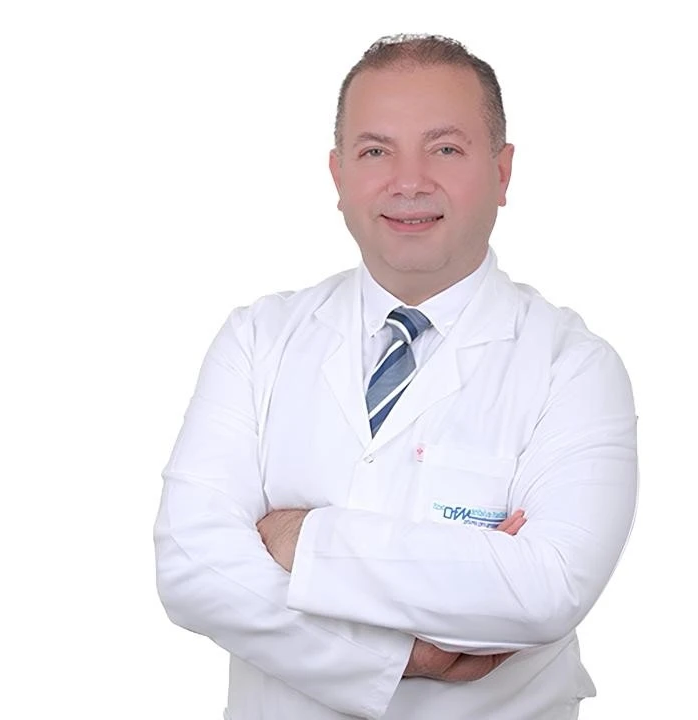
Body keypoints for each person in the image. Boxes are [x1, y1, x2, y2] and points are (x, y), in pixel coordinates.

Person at [154, 34, 638, 720]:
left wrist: (301, 539)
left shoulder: (576, 368)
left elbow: (547, 589)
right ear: (338, 175)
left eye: (445, 149)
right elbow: (191, 566)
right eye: (376, 151)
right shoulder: (257, 339)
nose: (409, 182)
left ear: (502, 172)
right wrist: (397, 656)